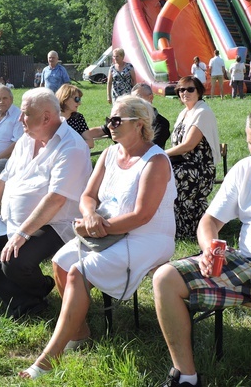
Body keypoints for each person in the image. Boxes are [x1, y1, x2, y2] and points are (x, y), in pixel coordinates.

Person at [18, 95, 177, 379]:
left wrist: (96, 227)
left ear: (139, 124)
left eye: (117, 120)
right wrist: (90, 216)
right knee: (61, 262)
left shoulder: (156, 161)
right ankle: (79, 333)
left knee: (78, 270)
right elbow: (88, 196)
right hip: (106, 230)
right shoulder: (108, 154)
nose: (109, 126)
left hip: (148, 236)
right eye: (109, 120)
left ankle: (48, 357)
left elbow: (142, 216)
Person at [153, 103, 251, 387]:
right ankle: (187, 377)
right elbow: (209, 221)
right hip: (244, 261)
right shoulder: (245, 169)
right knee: (164, 277)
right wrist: (208, 248)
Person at [0, 88, 91, 319]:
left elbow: (55, 199)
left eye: (26, 114)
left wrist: (21, 235)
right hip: (15, 220)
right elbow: (1, 182)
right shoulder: (26, 140)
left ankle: (39, 287)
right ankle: (25, 299)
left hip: (56, 224)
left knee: (14, 260)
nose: (19, 118)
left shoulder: (72, 147)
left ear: (46, 117)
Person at [166, 76, 220, 238]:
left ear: (199, 92)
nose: (185, 93)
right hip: (183, 164)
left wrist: (160, 155)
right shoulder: (185, 113)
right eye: (181, 90)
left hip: (199, 168)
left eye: (190, 89)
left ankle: (187, 229)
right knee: (157, 173)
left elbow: (189, 145)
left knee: (168, 178)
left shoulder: (202, 112)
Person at [131, 83, 170, 149]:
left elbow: (152, 147)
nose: (135, 102)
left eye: (139, 97)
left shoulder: (161, 123)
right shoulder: (130, 120)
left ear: (151, 97)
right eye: (132, 99)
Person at [55, 84, 93, 148]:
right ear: (65, 98)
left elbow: (90, 143)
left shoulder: (78, 118)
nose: (79, 103)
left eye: (79, 99)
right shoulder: (52, 118)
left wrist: (69, 146)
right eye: (77, 99)